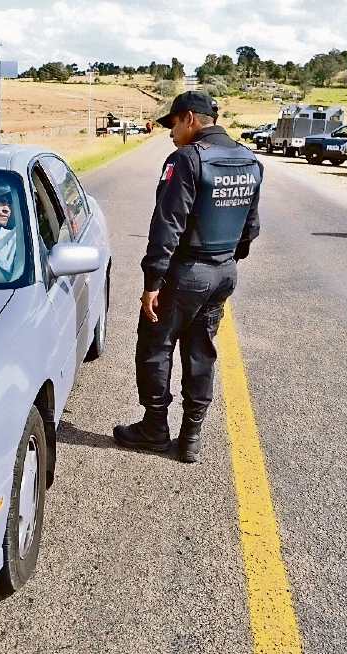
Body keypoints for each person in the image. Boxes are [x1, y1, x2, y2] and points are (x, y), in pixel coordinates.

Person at [113, 91, 262, 463]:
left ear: (190, 119)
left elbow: (167, 226)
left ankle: (154, 427)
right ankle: (191, 438)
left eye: (174, 124)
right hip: (224, 272)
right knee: (201, 352)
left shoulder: (186, 159)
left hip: (185, 273)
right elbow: (251, 227)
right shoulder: (250, 159)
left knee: (155, 345)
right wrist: (225, 262)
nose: (170, 132)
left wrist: (152, 283)